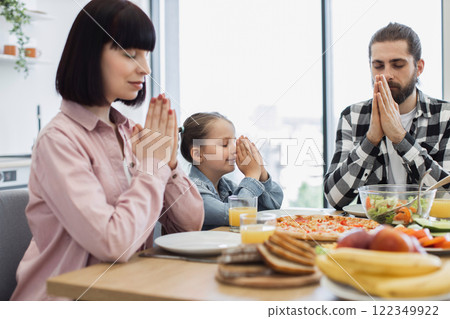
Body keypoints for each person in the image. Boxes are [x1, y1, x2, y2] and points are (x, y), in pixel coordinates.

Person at [11, 0, 204, 301]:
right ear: (90, 56)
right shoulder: (58, 141)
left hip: (126, 291)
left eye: (146, 55)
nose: (145, 68)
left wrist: (167, 164)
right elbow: (114, 244)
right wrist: (151, 168)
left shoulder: (130, 134)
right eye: (130, 54)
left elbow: (190, 224)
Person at [324, 22, 450, 209]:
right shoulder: (352, 116)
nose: (387, 74)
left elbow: (446, 196)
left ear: (419, 67)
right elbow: (334, 198)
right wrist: (371, 139)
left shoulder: (445, 116)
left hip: (426, 233)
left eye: (397, 65)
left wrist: (400, 137)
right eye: (378, 66)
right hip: (372, 233)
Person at [180, 112, 283, 230]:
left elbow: (272, 207)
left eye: (234, 142)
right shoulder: (192, 192)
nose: (234, 149)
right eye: (224, 144)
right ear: (198, 154)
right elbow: (238, 216)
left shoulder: (228, 187)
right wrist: (252, 175)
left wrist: (261, 172)